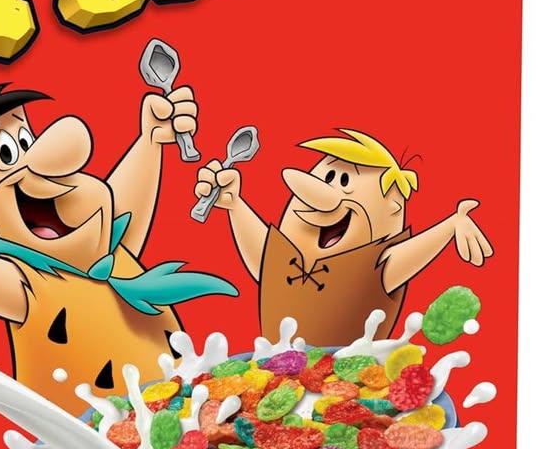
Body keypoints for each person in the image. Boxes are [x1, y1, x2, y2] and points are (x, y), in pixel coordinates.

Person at [0, 83, 237, 411]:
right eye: (7, 153)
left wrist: (150, 140)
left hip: (188, 410)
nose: (36, 162)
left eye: (25, 140)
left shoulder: (105, 246)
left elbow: (121, 209)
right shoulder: (29, 285)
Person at [196, 128, 492, 345]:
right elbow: (264, 260)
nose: (321, 193)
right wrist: (235, 205)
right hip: (270, 379)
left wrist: (452, 224)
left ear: (392, 207)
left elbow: (407, 255)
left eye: (344, 181)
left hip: (353, 391)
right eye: (328, 177)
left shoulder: (374, 265)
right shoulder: (283, 252)